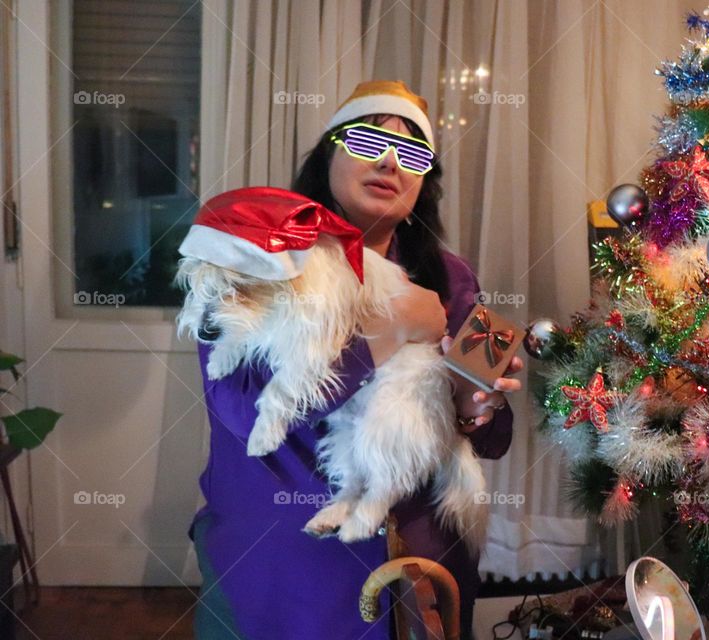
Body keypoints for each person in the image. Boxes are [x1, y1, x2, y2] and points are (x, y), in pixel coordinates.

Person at [187, 80, 522, 639]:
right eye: (368, 141)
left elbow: (492, 439)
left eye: (413, 154)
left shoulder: (451, 277)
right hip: (281, 568)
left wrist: (476, 405)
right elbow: (243, 413)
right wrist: (393, 331)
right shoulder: (252, 252)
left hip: (419, 569)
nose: (390, 162)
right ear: (327, 157)